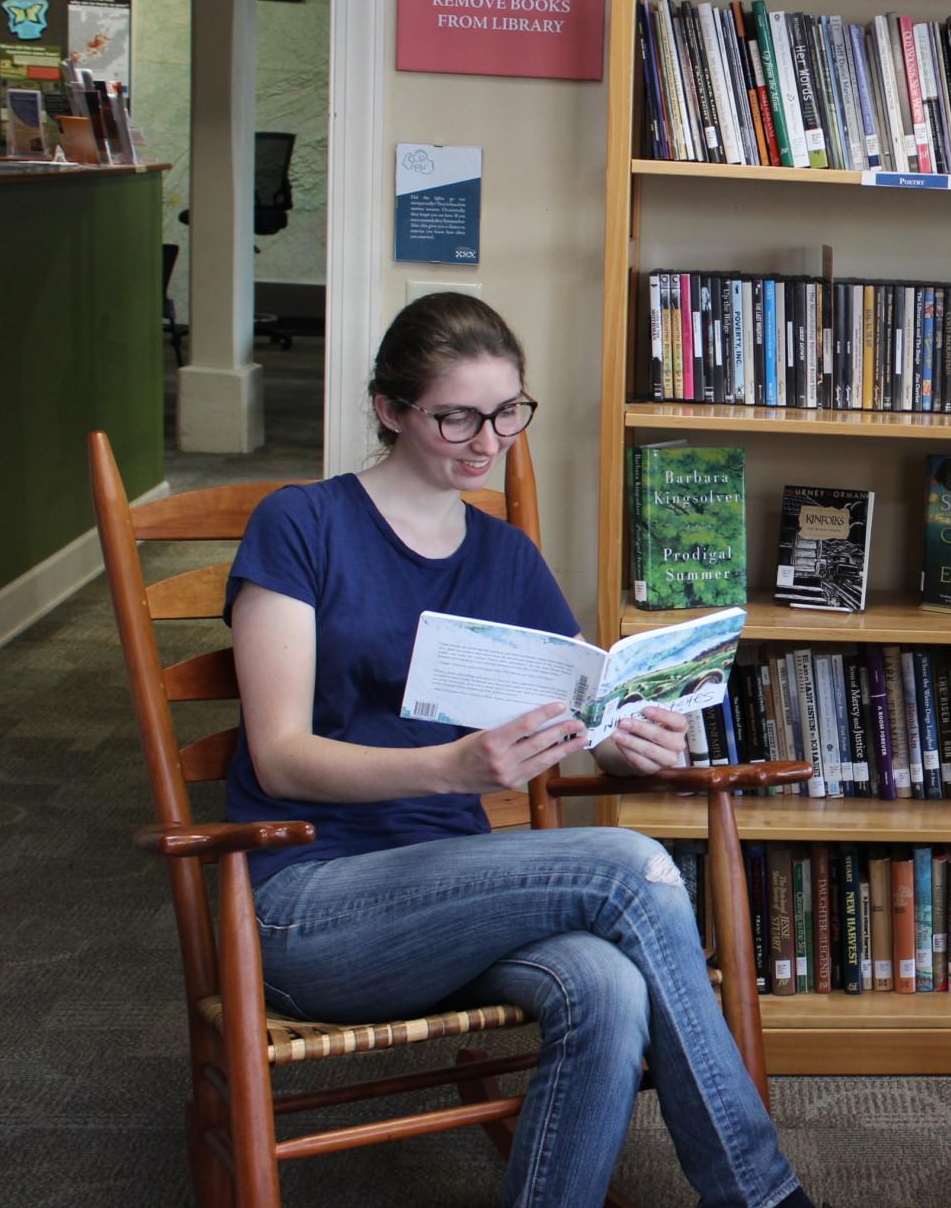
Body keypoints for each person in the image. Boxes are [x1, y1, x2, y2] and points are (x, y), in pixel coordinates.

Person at [227, 292, 816, 1208]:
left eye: (507, 411)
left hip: (457, 892)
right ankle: (763, 1195)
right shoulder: (302, 524)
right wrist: (450, 766)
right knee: (631, 867)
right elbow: (279, 757)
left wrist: (636, 737)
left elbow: (582, 713)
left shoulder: (504, 557)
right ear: (389, 409)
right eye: (456, 414)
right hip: (310, 904)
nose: (487, 439)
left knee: (609, 986)